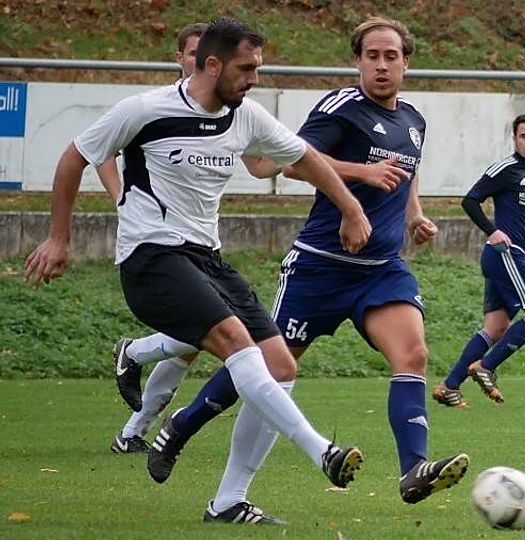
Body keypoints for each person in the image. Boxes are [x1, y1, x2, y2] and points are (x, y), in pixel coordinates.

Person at [24, 17, 371, 524]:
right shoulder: (145, 110)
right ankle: (322, 451)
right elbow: (74, 157)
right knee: (236, 342)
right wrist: (59, 238)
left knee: (281, 366)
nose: (254, 79)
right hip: (151, 257)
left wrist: (351, 208)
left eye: (258, 68)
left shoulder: (246, 116)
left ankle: (228, 501)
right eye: (246, 69)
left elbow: (308, 157)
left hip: (207, 258)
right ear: (212, 65)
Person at [142, 17, 470, 507]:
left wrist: (414, 215)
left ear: (407, 63)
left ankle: (413, 468)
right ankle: (181, 425)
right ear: (357, 61)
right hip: (320, 267)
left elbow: (406, 171)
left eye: (391, 57)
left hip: (381, 269)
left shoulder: (413, 120)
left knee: (413, 356)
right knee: (267, 365)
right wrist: (359, 179)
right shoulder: (341, 108)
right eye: (372, 56)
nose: (381, 66)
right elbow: (295, 160)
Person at [106, 22, 285, 455]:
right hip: (158, 247)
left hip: (204, 248)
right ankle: (135, 416)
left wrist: (300, 158)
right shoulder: (153, 110)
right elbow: (98, 152)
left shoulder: (229, 112)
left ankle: (133, 408)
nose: (196, 61)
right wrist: (121, 198)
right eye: (190, 54)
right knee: (210, 336)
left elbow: (259, 165)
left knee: (197, 343)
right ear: (184, 60)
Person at [432, 113, 525, 407]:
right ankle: (485, 366)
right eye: (524, 136)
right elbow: (470, 200)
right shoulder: (505, 169)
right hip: (505, 254)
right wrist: (493, 231)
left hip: (509, 257)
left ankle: (449, 386)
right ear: (514, 138)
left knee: (496, 328)